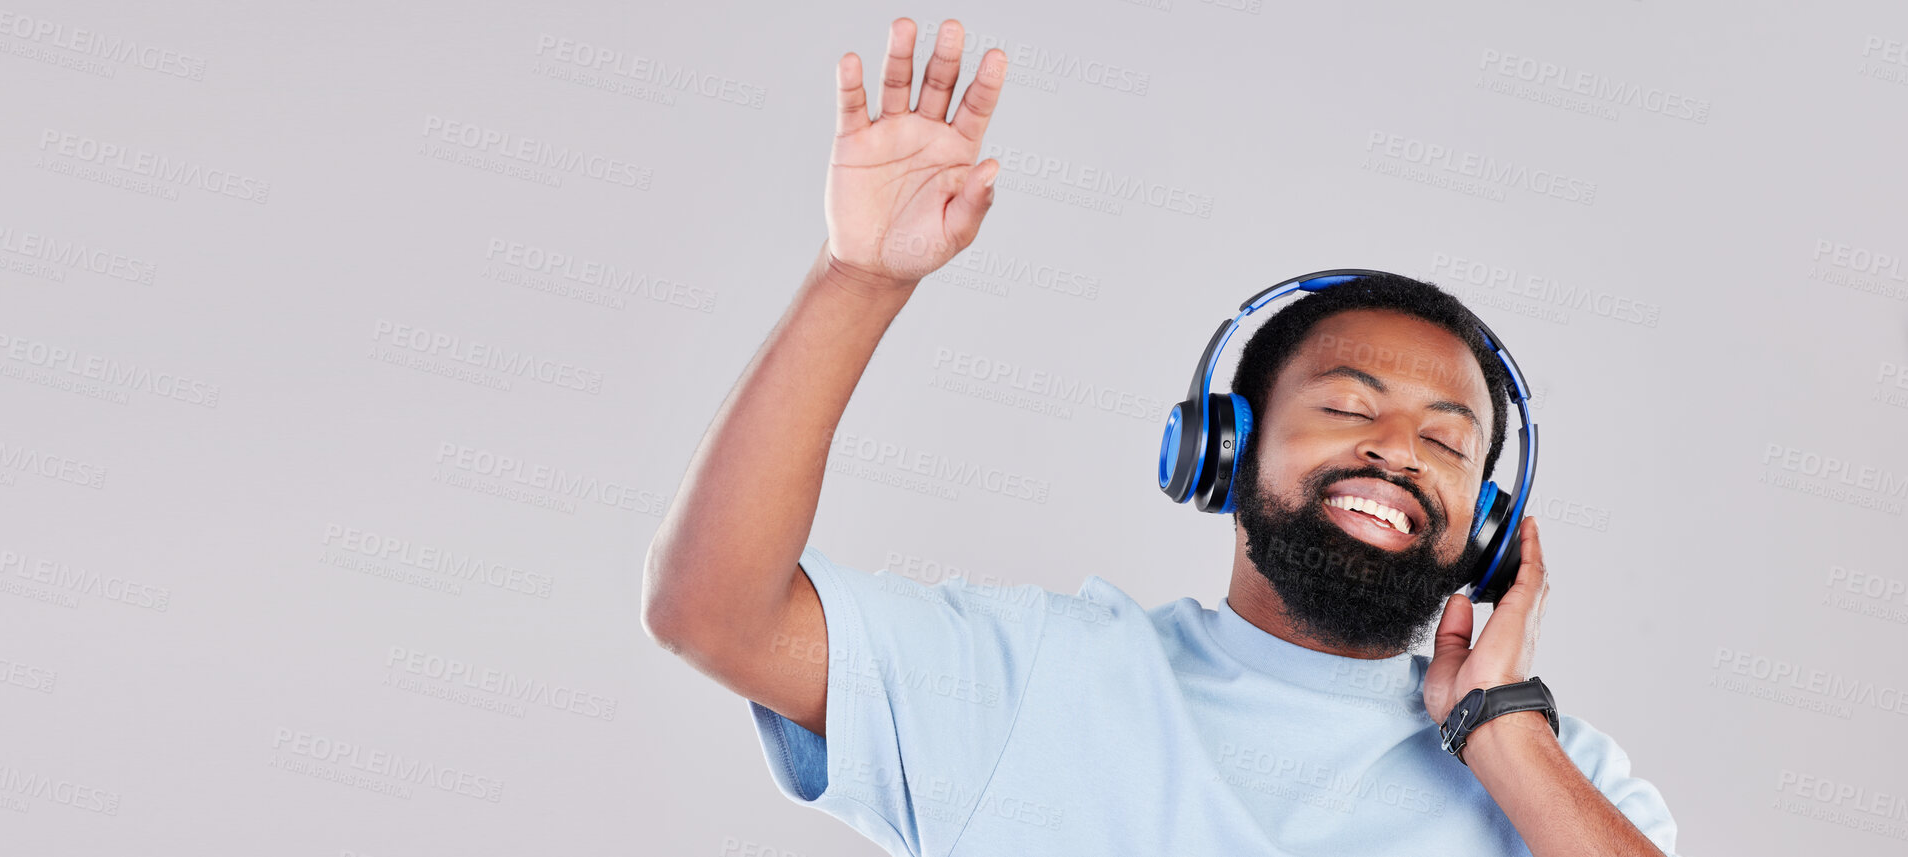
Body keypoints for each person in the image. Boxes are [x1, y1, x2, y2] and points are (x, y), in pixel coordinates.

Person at [639, 16, 1678, 857]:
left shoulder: (1556, 774)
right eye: (1350, 408)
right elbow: (711, 611)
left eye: (1449, 444)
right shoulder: (1031, 679)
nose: (1399, 450)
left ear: (1487, 530)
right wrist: (859, 279)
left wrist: (1498, 726)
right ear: (1222, 447)